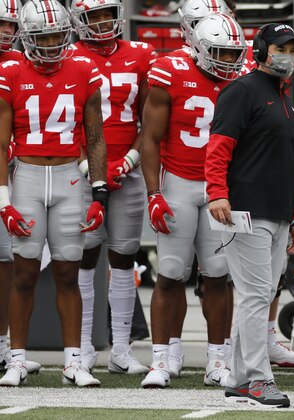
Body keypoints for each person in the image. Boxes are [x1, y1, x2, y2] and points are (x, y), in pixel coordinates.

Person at [0, 0, 107, 387]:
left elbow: (95, 137)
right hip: (27, 176)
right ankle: (16, 360)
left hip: (68, 179)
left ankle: (74, 362)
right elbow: (0, 143)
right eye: (42, 36)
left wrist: (100, 192)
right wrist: (3, 201)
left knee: (68, 272)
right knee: (24, 273)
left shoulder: (83, 67)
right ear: (27, 38)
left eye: (57, 35)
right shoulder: (9, 70)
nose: (50, 43)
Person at [139, 12, 247, 389]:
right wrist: (154, 192)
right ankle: (160, 359)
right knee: (169, 273)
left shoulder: (245, 78)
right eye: (219, 52)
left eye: (234, 54)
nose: (228, 61)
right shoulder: (170, 71)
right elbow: (150, 137)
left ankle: (218, 360)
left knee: (218, 275)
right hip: (179, 181)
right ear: (199, 48)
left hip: (222, 188)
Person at [206, 22, 294, 408]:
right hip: (244, 210)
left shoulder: (284, 98)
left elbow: (288, 163)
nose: (288, 55)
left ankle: (240, 377)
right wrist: (217, 193)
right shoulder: (242, 91)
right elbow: (218, 147)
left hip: (277, 211)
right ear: (261, 50)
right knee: (254, 294)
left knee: (260, 293)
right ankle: (258, 379)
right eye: (281, 47)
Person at [69, 0, 156, 375]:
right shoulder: (68, 54)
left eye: (108, 14)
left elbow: (150, 121)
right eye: (94, 16)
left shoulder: (141, 53)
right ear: (79, 20)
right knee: (85, 257)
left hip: (129, 166)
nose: (104, 22)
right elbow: (64, 120)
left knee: (124, 257)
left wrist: (128, 162)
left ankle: (121, 349)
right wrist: (94, 168)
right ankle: (85, 346)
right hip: (80, 168)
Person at [0, 0, 40, 376]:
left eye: (9, 25)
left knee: (6, 262)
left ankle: (2, 343)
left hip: (10, 172)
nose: (4, 31)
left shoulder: (19, 64)